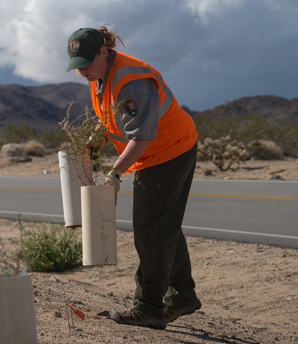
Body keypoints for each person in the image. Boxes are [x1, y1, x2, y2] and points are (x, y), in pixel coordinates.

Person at [66, 26, 201, 330]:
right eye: (78, 66)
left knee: (150, 227)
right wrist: (93, 142)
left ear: (104, 52)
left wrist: (115, 172)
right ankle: (181, 296)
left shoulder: (132, 81)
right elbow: (110, 118)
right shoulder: (100, 76)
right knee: (163, 224)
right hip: (155, 154)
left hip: (169, 152)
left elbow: (140, 138)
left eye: (87, 63)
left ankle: (149, 307)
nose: (83, 71)